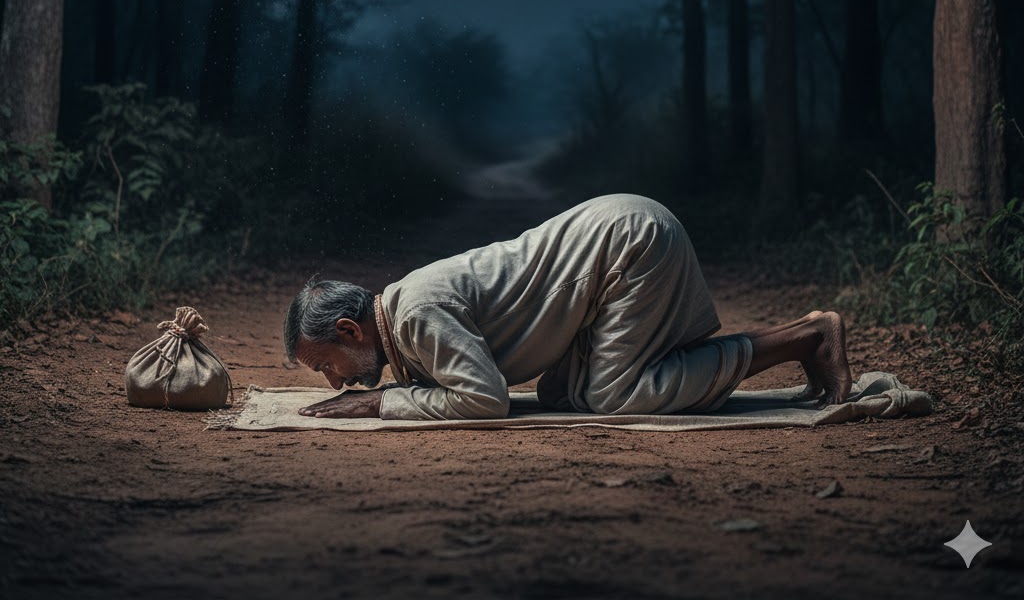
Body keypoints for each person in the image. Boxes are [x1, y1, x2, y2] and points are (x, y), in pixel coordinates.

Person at [283, 194, 852, 421]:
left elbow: (484, 400)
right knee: (561, 394)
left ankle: (808, 338)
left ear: (350, 329)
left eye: (324, 365)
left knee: (613, 396)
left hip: (629, 245)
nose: (334, 384)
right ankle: (775, 344)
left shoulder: (413, 314)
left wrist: (383, 403)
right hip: (613, 246)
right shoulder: (405, 312)